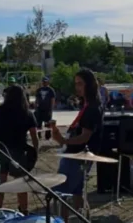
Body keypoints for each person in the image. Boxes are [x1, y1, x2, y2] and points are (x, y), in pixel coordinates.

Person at [50, 68, 103, 223]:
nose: (77, 87)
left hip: (78, 156)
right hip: (75, 155)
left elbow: (85, 137)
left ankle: (63, 221)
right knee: (76, 191)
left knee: (61, 193)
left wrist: (63, 141)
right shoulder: (87, 105)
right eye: (76, 84)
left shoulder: (92, 108)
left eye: (80, 83)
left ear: (90, 85)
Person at [0, 85, 39, 214]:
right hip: (18, 151)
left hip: (0, 150)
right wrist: (35, 151)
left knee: (0, 183)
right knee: (21, 183)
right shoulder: (27, 113)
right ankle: (24, 210)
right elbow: (34, 135)